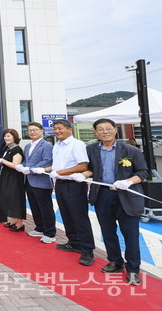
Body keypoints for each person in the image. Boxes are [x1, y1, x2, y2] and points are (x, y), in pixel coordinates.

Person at [83, 118, 148, 285]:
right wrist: (82, 175)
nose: (105, 132)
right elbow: (90, 169)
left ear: (115, 130)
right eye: (101, 129)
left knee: (130, 234)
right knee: (108, 231)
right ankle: (115, 261)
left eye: (108, 129)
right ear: (95, 132)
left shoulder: (130, 150)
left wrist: (128, 182)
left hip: (126, 196)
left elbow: (142, 173)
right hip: (102, 195)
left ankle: (133, 269)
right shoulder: (90, 149)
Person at [41, 119, 95, 266]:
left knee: (79, 217)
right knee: (66, 214)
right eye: (55, 129)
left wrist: (59, 172)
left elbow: (83, 165)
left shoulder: (77, 145)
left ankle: (87, 250)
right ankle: (74, 242)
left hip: (74, 185)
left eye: (60, 129)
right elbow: (57, 165)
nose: (57, 131)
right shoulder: (56, 145)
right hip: (60, 183)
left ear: (69, 129)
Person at [15, 122, 56, 243]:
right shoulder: (27, 146)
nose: (32, 132)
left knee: (45, 207)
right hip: (28, 180)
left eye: (35, 130)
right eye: (30, 130)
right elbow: (27, 161)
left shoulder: (47, 145)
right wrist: (21, 166)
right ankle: (39, 227)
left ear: (41, 131)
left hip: (41, 181)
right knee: (34, 206)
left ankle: (50, 233)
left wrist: (31, 170)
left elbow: (47, 161)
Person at [0, 129, 26, 231]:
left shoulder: (17, 149)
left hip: (14, 177)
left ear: (14, 137)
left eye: (9, 136)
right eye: (5, 136)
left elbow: (15, 165)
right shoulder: (7, 148)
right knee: (8, 198)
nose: (6, 138)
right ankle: (13, 220)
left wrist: (2, 160)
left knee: (15, 199)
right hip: (6, 175)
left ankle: (20, 223)